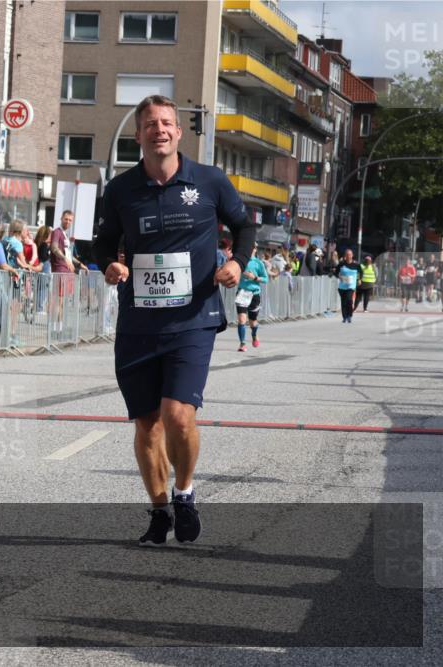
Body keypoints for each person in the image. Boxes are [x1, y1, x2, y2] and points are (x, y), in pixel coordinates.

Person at [94, 94, 256, 547]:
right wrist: (110, 264)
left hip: (193, 318)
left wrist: (237, 263)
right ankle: (160, 510)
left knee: (178, 416)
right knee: (147, 424)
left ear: (179, 132)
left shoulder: (209, 181)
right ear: (138, 133)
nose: (159, 130)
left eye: (166, 123)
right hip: (139, 323)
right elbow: (102, 242)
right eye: (150, 124)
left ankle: (184, 493)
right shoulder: (122, 189)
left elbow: (245, 227)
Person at [51, 210, 88, 332]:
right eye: (66, 219)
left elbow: (69, 255)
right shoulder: (57, 232)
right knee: (58, 301)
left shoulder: (65, 234)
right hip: (59, 270)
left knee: (62, 302)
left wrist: (79, 264)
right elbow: (54, 248)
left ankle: (59, 328)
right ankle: (54, 328)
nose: (67, 221)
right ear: (61, 218)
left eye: (70, 220)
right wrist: (65, 259)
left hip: (67, 270)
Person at [235, 243, 268, 351]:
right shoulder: (240, 261)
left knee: (252, 321)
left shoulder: (258, 263)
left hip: (254, 294)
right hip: (242, 293)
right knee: (241, 319)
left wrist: (254, 278)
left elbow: (265, 279)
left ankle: (254, 335)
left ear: (254, 249)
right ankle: (242, 343)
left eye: (251, 247)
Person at [334, 248, 361, 323]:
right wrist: (339, 277)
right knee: (343, 302)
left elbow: (360, 272)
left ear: (352, 255)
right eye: (347, 255)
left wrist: (359, 279)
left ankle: (349, 315)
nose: (348, 256)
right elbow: (336, 272)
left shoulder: (356, 264)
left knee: (349, 300)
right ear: (345, 256)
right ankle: (344, 317)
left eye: (350, 254)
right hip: (342, 286)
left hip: (351, 286)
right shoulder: (341, 264)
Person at [34, 224, 52, 312]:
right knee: (43, 288)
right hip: (44, 267)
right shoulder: (44, 245)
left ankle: (37, 307)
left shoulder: (38, 243)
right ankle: (39, 308)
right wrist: (49, 255)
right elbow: (44, 257)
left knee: (40, 288)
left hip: (40, 267)